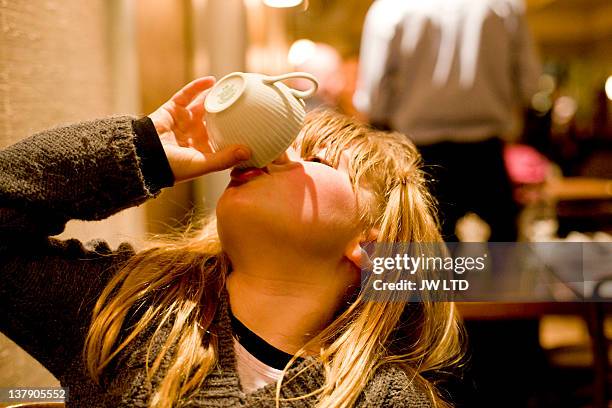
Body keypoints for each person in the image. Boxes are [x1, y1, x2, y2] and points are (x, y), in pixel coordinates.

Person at [0, 77, 463, 407]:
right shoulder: (129, 311)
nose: (276, 153)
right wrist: (145, 151)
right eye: (279, 138)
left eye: (315, 157)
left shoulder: (383, 398)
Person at [355, 0, 542, 241]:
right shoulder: (505, 5)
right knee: (503, 257)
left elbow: (374, 95)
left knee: (426, 258)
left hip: (418, 154)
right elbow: (529, 82)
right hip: (486, 152)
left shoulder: (390, 8)